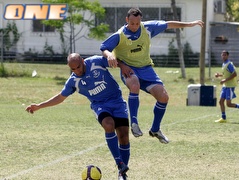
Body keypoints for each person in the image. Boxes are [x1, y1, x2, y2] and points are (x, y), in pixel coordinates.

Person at [100, 7, 204, 143]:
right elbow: (104, 47)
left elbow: (169, 24)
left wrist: (189, 24)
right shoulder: (120, 35)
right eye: (132, 23)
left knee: (163, 97)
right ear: (127, 20)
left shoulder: (147, 28)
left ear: (140, 21)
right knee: (134, 84)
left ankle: (155, 129)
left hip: (147, 70)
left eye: (137, 23)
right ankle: (134, 123)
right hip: (129, 69)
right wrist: (110, 57)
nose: (134, 26)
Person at [25, 53, 130, 180]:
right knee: (108, 124)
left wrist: (123, 66)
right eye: (73, 69)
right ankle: (119, 163)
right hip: (100, 105)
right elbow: (60, 97)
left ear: (83, 60)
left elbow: (115, 62)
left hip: (117, 101)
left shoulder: (96, 62)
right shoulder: (73, 81)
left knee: (123, 137)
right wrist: (39, 106)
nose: (77, 71)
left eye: (78, 67)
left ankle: (122, 174)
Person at [214, 50, 239, 123]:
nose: (223, 56)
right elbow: (226, 74)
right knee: (221, 101)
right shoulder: (224, 64)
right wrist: (219, 75)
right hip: (225, 86)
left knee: (229, 104)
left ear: (227, 56)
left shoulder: (229, 64)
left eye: (225, 55)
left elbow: (234, 74)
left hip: (230, 86)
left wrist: (224, 80)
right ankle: (223, 118)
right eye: (222, 55)